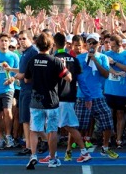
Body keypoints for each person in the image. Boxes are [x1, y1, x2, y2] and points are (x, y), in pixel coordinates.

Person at [24, 33, 72, 169]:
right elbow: (69, 78)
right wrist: (64, 67)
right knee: (52, 131)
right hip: (51, 100)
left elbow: (26, 79)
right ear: (51, 46)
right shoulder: (55, 61)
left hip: (36, 100)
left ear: (37, 45)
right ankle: (52, 159)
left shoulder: (32, 60)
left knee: (34, 129)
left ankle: (33, 155)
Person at [75, 33, 119, 159]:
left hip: (98, 95)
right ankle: (75, 150)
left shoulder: (103, 58)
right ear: (86, 44)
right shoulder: (79, 58)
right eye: (90, 42)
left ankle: (105, 148)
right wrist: (88, 59)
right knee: (78, 126)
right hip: (82, 96)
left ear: (98, 43)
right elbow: (77, 75)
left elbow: (105, 74)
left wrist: (95, 60)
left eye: (94, 42)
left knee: (107, 121)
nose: (92, 45)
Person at [51, 33, 91, 163]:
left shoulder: (53, 58)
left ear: (54, 44)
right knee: (54, 127)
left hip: (59, 98)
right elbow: (82, 81)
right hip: (68, 97)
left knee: (68, 127)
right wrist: (87, 97)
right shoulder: (74, 59)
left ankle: (84, 152)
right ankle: (52, 154)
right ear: (66, 44)